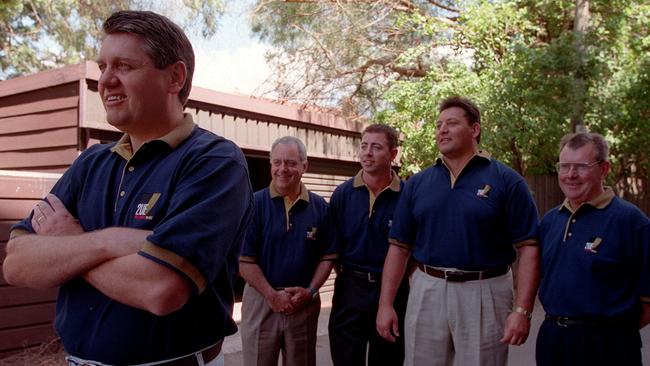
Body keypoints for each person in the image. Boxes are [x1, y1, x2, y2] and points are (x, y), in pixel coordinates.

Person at [2, 10, 253, 366]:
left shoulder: (213, 161)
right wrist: (106, 242)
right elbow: (16, 262)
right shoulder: (91, 164)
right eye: (102, 66)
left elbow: (160, 289)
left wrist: (68, 242)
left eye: (123, 66)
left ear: (174, 78)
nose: (106, 80)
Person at [376, 96, 540, 366]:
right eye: (439, 125)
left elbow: (529, 247)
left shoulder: (507, 181)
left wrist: (523, 310)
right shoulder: (417, 184)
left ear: (474, 130)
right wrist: (385, 305)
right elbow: (399, 248)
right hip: (427, 288)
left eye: (451, 123)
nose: (442, 130)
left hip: (486, 291)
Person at [536, 132, 650, 365]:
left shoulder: (631, 222)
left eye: (581, 166)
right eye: (564, 166)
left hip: (608, 347)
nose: (571, 175)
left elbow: (648, 301)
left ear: (604, 168)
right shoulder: (550, 221)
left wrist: (610, 332)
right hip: (553, 342)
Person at [239, 136, 335, 366]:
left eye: (291, 163)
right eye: (277, 162)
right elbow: (244, 260)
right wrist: (272, 296)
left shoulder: (320, 207)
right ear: (270, 165)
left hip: (304, 303)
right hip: (262, 301)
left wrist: (310, 291)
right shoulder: (253, 205)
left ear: (304, 166)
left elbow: (328, 256)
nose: (283, 169)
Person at [328, 124, 408, 365]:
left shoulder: (408, 196)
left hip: (394, 293)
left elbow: (410, 251)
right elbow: (333, 248)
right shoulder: (342, 194)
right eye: (364, 146)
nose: (367, 153)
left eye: (376, 147)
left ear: (393, 154)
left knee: (388, 360)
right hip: (349, 290)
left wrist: (393, 282)